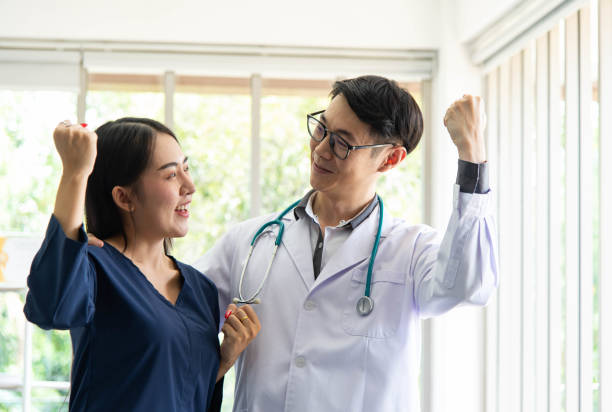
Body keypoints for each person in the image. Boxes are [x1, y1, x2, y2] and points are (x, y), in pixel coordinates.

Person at [194, 75, 497, 412]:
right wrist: (219, 361)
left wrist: (472, 154)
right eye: (321, 129)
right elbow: (173, 315)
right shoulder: (250, 241)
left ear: (390, 160)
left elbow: (470, 285)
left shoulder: (411, 250)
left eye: (342, 143)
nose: (321, 149)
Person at [23, 118, 261, 412]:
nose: (190, 186)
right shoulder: (95, 266)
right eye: (171, 175)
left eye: (186, 169)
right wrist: (75, 172)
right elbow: (51, 308)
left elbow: (172, 391)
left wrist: (222, 361)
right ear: (124, 197)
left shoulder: (201, 289)